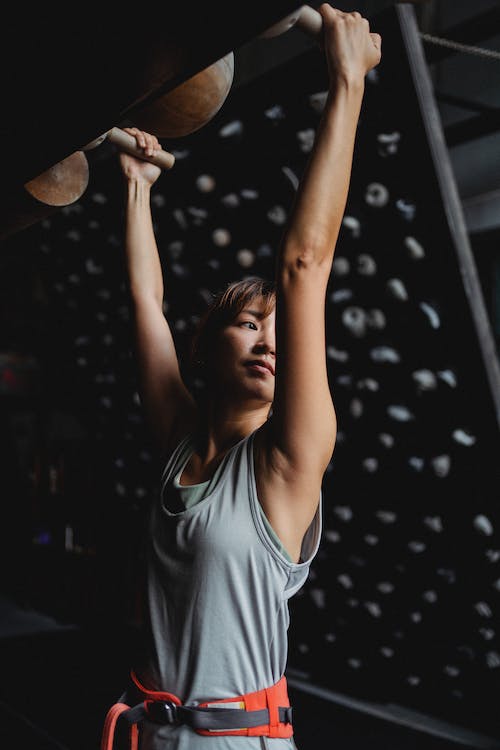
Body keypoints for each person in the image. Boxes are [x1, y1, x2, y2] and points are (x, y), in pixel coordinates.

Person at [102, 5, 381, 749]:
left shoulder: (290, 461)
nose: (270, 341)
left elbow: (305, 265)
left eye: (279, 329)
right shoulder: (177, 438)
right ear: (206, 347)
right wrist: (137, 186)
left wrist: (346, 79)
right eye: (248, 323)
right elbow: (147, 304)